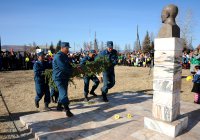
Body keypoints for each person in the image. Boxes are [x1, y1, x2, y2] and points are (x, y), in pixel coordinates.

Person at [52, 42, 74, 117]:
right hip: (59, 78)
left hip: (64, 77)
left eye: (68, 48)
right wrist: (72, 72)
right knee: (63, 93)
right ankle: (67, 110)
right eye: (67, 48)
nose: (68, 50)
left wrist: (74, 67)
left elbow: (68, 65)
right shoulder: (58, 56)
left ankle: (59, 106)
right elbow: (63, 68)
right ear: (62, 48)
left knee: (63, 92)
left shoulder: (65, 56)